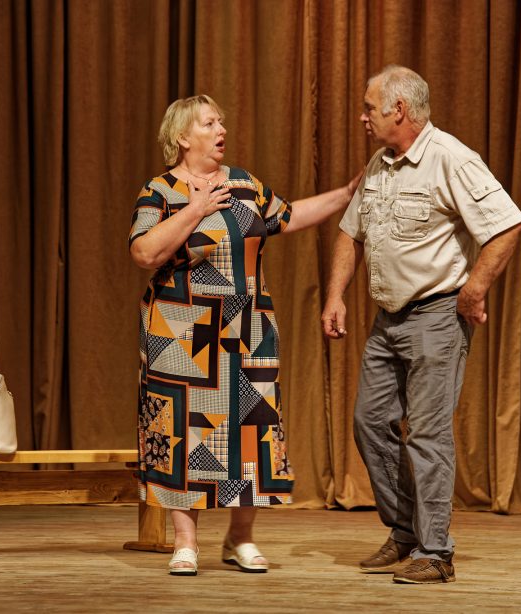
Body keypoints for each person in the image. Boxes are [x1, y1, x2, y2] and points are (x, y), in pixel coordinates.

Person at [129, 94, 361, 576]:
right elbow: (145, 253)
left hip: (247, 328)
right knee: (180, 431)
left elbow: (289, 216)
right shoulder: (160, 191)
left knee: (252, 429)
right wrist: (194, 210)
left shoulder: (243, 184)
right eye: (209, 123)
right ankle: (186, 543)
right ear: (182, 137)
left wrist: (345, 193)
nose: (221, 130)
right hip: (180, 331)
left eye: (221, 122)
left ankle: (240, 538)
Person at [321, 65, 521, 584]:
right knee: (370, 423)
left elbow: (506, 225)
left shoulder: (451, 158)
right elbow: (350, 233)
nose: (363, 117)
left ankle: (436, 553)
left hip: (437, 315)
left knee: (428, 433)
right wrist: (336, 295)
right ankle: (406, 533)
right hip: (387, 319)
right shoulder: (379, 164)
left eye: (369, 107)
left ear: (399, 110)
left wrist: (474, 289)